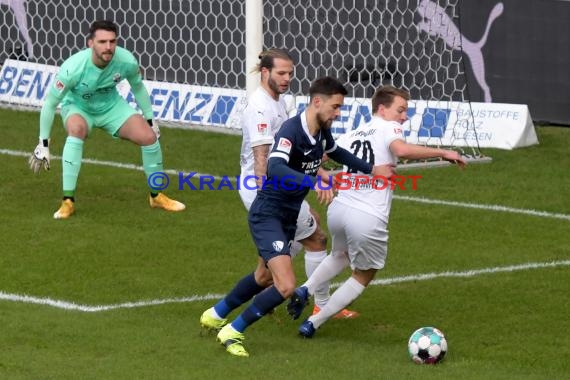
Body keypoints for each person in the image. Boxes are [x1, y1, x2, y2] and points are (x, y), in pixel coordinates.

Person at [209, 76, 396, 357]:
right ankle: (233, 331)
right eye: (335, 106)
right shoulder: (291, 131)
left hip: (287, 216)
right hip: (268, 215)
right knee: (285, 285)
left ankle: (215, 314)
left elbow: (337, 152)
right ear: (317, 102)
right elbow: (275, 167)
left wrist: (372, 169)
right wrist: (315, 182)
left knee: (263, 277)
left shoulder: (320, 131)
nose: (338, 113)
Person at [286, 85, 466, 338]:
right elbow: (402, 150)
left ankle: (305, 288)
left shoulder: (354, 132)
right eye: (400, 110)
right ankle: (313, 322)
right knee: (364, 273)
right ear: (382, 109)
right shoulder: (389, 127)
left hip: (339, 208)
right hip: (367, 214)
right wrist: (444, 152)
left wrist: (318, 175)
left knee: (340, 254)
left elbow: (316, 157)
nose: (404, 117)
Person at [199, 49, 357, 335]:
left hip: (280, 192)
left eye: (290, 74)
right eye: (281, 73)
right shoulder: (260, 107)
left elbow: (296, 150)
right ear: (265, 73)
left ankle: (217, 313)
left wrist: (317, 170)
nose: (287, 79)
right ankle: (321, 305)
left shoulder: (279, 102)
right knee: (315, 239)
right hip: (266, 193)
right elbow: (263, 159)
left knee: (265, 273)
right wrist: (268, 199)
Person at [28, 20, 185, 218]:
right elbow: (50, 103)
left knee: (149, 137)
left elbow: (137, 87)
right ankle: (68, 202)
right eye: (102, 42)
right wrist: (43, 142)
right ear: (90, 43)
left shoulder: (126, 60)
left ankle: (157, 196)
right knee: (77, 130)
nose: (108, 47)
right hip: (78, 107)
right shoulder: (72, 67)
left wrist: (150, 119)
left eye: (112, 41)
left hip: (111, 107)